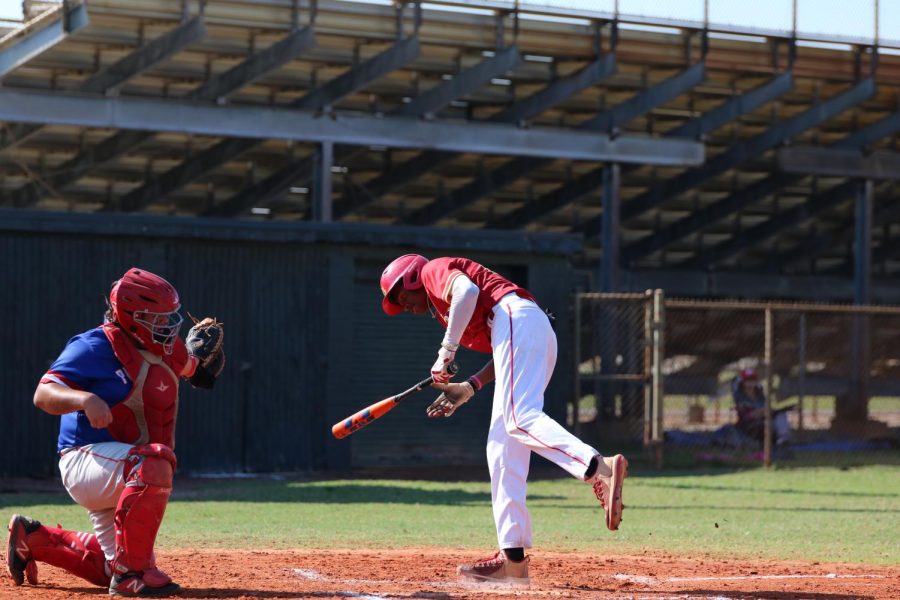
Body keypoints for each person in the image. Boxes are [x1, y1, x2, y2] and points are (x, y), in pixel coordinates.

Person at [379, 254, 628, 585]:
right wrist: (471, 386)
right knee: (502, 447)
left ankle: (599, 468)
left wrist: (446, 352)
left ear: (411, 279)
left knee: (519, 419)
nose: (405, 306)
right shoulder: (444, 308)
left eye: (401, 297)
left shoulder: (430, 271)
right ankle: (512, 560)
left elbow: (467, 292)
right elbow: (504, 349)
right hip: (526, 327)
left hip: (517, 319)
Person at [6, 268, 224, 597]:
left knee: (109, 566)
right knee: (154, 462)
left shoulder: (164, 347)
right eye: (157, 318)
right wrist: (85, 399)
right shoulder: (95, 345)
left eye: (168, 318)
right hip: (85, 460)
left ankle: (33, 538)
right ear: (132, 316)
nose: (167, 326)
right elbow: (43, 394)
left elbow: (195, 370)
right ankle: (132, 574)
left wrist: (203, 363)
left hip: (124, 467)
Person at [732, 367, 792, 448]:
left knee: (780, 416)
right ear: (743, 382)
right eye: (747, 380)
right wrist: (760, 411)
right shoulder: (740, 395)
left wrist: (769, 411)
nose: (750, 383)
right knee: (766, 420)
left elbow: (765, 408)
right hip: (748, 423)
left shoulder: (759, 394)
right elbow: (746, 414)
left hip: (763, 419)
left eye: (752, 380)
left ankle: (783, 440)